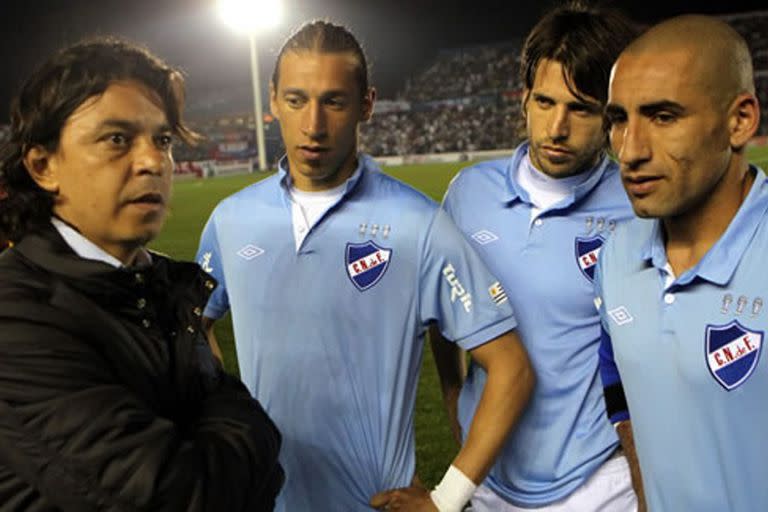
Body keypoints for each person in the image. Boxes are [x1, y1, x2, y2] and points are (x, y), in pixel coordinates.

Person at [196, 20, 534, 512]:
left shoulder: (418, 225)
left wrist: (448, 497)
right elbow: (190, 330)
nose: (313, 124)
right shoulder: (230, 220)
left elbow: (513, 369)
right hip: (261, 499)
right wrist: (224, 413)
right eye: (296, 100)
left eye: (334, 101)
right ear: (272, 102)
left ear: (367, 105)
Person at [0, 38, 284, 511]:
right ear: (42, 165)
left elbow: (261, 464)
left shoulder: (161, 285)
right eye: (117, 139)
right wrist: (241, 425)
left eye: (163, 140)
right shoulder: (14, 317)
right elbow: (185, 497)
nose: (153, 161)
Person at [431, 3, 640, 511]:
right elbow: (441, 307)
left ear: (610, 116)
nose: (557, 127)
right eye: (544, 103)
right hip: (488, 478)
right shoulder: (468, 193)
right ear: (524, 100)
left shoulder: (639, 205)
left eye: (582, 108)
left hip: (597, 480)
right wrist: (453, 387)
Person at [598, 14, 765, 511]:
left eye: (663, 116)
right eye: (618, 119)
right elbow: (619, 380)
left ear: (739, 121)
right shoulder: (617, 255)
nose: (629, 151)